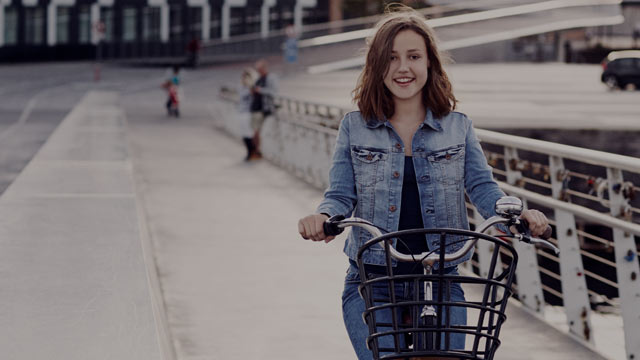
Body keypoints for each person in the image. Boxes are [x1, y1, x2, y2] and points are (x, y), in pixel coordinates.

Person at [297, 5, 549, 360]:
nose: (403, 67)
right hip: (374, 281)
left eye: (414, 56)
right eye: (392, 58)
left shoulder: (458, 126)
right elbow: (340, 194)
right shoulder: (355, 126)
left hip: (441, 280)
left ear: (429, 62)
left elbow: (482, 187)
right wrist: (322, 218)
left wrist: (517, 213)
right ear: (377, 67)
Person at [249, 59, 277, 159]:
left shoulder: (270, 78)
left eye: (260, 69)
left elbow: (273, 92)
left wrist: (260, 90)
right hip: (255, 107)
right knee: (254, 131)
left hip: (263, 108)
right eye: (257, 69)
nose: (258, 71)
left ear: (264, 68)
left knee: (256, 131)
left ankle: (256, 151)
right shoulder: (258, 79)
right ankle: (255, 151)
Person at [238, 67, 258, 161]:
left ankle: (252, 153)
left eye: (246, 77)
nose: (244, 79)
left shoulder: (252, 88)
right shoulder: (242, 87)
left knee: (249, 133)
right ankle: (249, 153)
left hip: (248, 113)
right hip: (242, 112)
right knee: (244, 133)